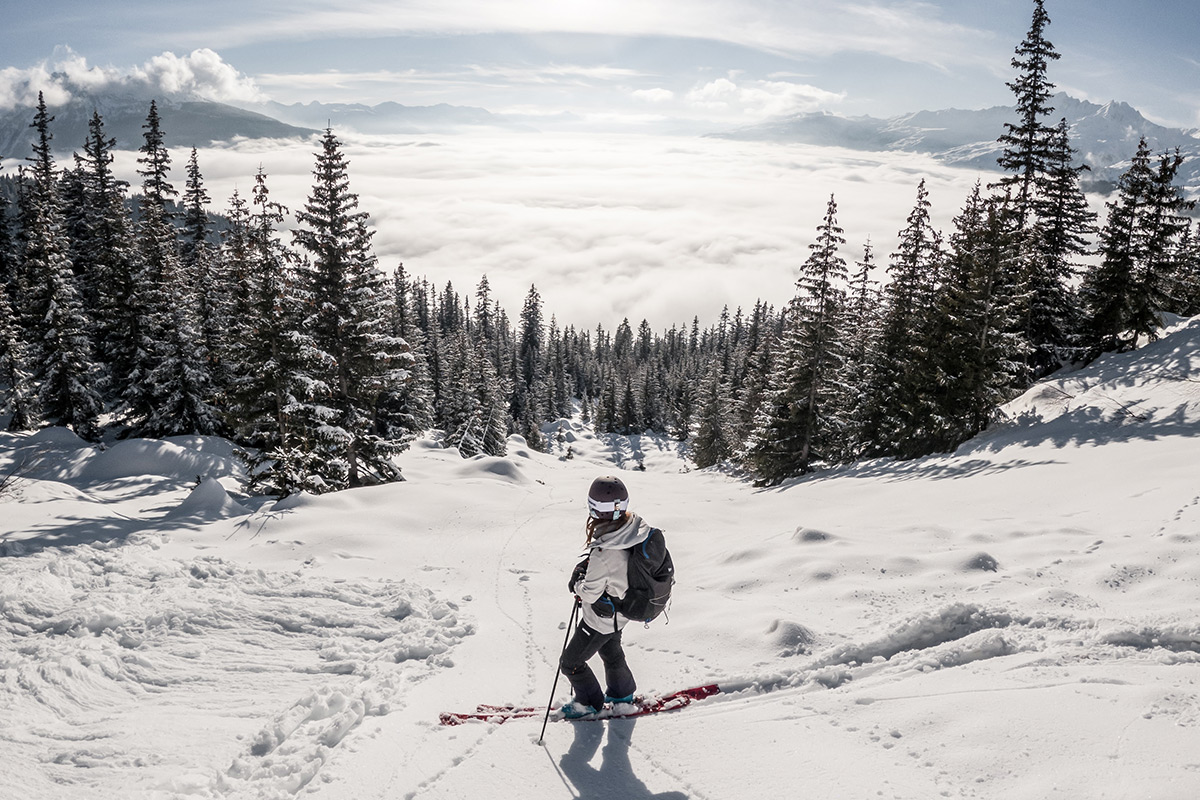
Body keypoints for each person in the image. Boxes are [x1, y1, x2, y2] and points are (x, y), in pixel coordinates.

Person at [558, 475, 654, 719]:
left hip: (600, 619)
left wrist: (578, 582)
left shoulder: (604, 552)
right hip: (621, 611)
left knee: (571, 663)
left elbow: (590, 592)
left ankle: (588, 704)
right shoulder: (633, 528)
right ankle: (622, 694)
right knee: (612, 653)